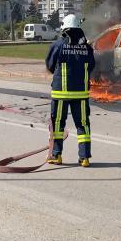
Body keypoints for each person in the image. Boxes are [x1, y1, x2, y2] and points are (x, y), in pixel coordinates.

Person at [44, 14, 96, 167]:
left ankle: (56, 155)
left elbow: (50, 65)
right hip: (81, 93)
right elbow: (91, 66)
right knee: (83, 124)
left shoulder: (58, 45)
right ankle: (84, 158)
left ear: (64, 29)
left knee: (58, 124)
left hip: (61, 93)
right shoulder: (87, 47)